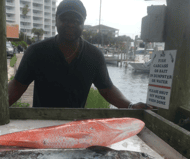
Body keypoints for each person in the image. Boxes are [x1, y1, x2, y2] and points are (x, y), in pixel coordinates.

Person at [8, 0, 150, 109]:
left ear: (83, 23)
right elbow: (17, 85)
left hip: (76, 125)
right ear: (56, 20)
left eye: (77, 21)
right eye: (65, 19)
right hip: (41, 124)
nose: (71, 24)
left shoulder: (94, 56)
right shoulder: (36, 52)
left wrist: (130, 106)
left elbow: (107, 89)